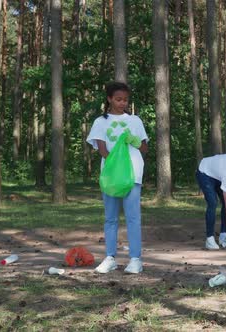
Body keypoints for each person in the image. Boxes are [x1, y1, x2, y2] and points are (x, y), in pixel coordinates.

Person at [87, 82, 149, 274]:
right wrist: (117, 165)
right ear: (109, 99)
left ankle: (135, 259)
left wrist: (136, 141)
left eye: (125, 100)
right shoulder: (100, 122)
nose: (123, 103)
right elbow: (102, 149)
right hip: (112, 175)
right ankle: (110, 258)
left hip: (133, 173)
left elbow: (145, 148)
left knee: (133, 217)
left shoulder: (135, 121)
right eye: (118, 99)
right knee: (111, 218)